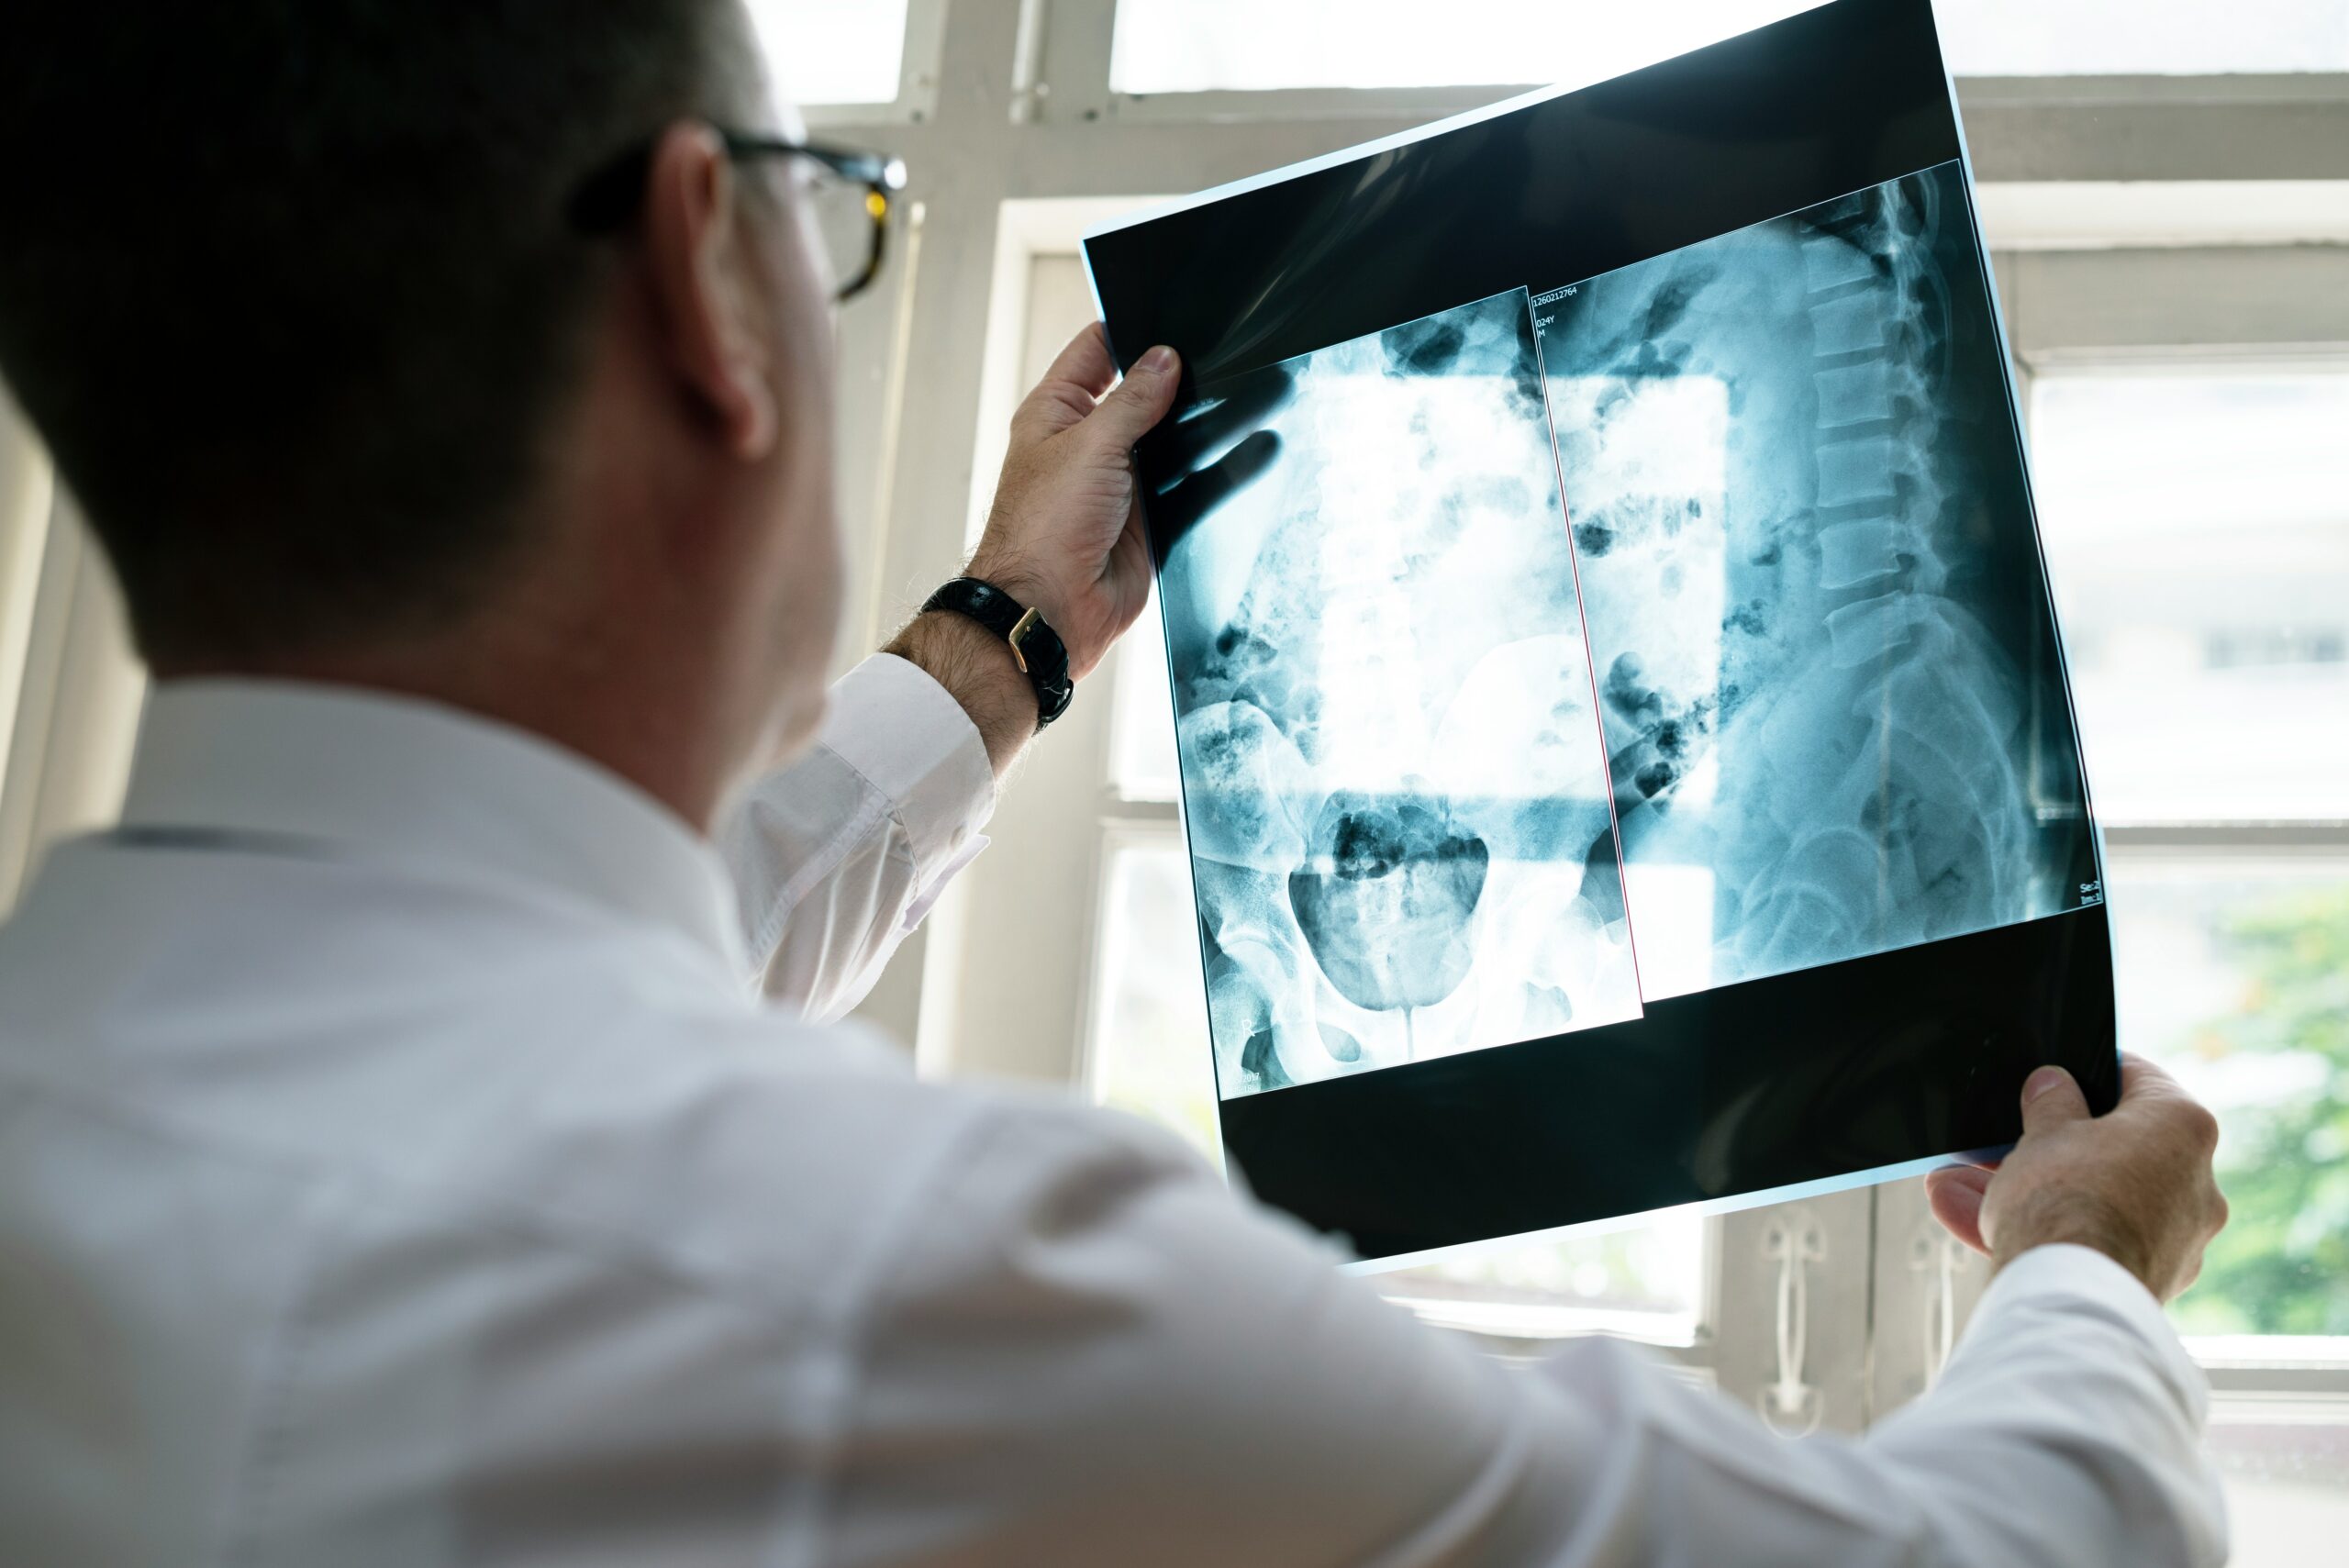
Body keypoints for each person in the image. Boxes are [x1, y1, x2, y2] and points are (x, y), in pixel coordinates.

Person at [0, 5, 2230, 1564]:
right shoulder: (936, 1294)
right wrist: (2079, 1270)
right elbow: (2011, 1547)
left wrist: (1001, 634)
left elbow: (550, 1016)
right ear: (711, 273)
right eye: (824, 203)